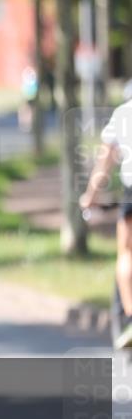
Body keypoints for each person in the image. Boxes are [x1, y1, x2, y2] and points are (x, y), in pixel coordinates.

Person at [79, 96, 132, 348]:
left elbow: (104, 165)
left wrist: (90, 198)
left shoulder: (124, 114)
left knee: (127, 253)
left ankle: (131, 318)